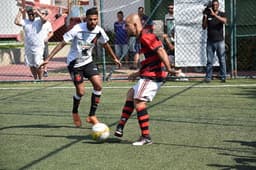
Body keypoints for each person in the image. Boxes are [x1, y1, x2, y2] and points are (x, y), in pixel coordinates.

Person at [41, 7, 122, 127]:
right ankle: (75, 112)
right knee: (81, 92)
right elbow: (63, 43)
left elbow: (105, 45)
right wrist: (48, 59)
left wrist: (114, 58)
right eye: (90, 19)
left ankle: (92, 115)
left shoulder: (98, 30)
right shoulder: (77, 29)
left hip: (88, 62)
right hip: (75, 64)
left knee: (98, 85)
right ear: (86, 19)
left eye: (95, 19)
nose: (93, 22)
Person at [114, 14, 178, 146]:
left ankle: (146, 137)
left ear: (135, 26)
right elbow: (150, 60)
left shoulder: (145, 36)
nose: (125, 28)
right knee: (131, 94)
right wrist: (137, 73)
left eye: (127, 25)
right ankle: (120, 126)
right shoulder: (140, 37)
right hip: (148, 73)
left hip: (153, 76)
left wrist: (169, 68)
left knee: (139, 101)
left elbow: (160, 50)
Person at [14, 6, 47, 82]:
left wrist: (37, 12)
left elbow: (45, 20)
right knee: (31, 64)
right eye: (30, 14)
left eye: (32, 14)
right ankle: (35, 79)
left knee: (38, 63)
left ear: (35, 14)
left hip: (38, 46)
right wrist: (20, 12)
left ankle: (41, 79)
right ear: (28, 15)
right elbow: (16, 22)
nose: (31, 16)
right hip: (28, 46)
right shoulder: (25, 21)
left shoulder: (39, 20)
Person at [202, 0, 227, 83]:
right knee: (209, 60)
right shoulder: (208, 14)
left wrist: (215, 15)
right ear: (211, 6)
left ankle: (223, 77)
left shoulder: (222, 13)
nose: (215, 6)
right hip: (210, 41)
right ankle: (208, 77)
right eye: (213, 5)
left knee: (222, 59)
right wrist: (205, 17)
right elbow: (204, 27)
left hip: (220, 41)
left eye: (216, 5)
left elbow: (224, 21)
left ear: (218, 5)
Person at [40, 9, 54, 77]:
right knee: (38, 57)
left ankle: (45, 71)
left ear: (45, 15)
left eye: (43, 13)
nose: (41, 14)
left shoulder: (48, 23)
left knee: (45, 57)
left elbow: (51, 33)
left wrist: (47, 38)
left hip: (44, 43)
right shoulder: (36, 22)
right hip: (37, 43)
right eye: (41, 13)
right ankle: (38, 71)